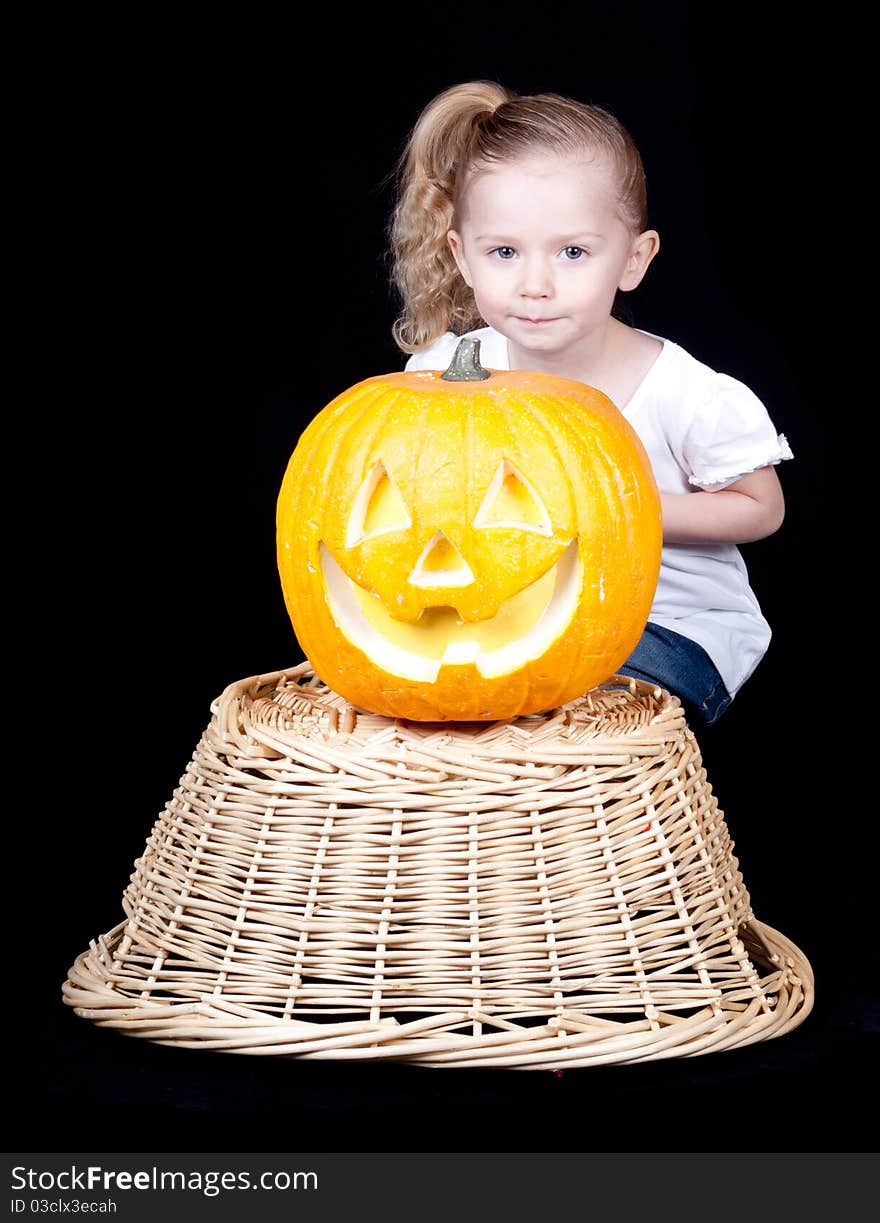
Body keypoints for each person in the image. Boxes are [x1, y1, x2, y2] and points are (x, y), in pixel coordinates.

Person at [386, 80, 793, 728]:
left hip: (665, 630)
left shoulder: (681, 392)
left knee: (553, 699)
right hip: (514, 610)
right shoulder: (450, 374)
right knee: (420, 683)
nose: (536, 284)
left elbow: (762, 507)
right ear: (462, 258)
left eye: (572, 252)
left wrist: (619, 507)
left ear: (633, 259)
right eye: (504, 252)